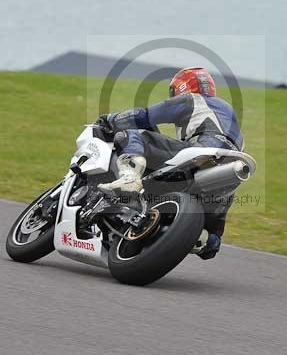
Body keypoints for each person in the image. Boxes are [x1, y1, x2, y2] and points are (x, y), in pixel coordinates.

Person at [95, 67, 244, 260]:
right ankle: (200, 238)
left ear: (182, 88)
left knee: (131, 135)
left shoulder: (192, 99)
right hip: (228, 174)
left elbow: (144, 116)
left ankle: (129, 178)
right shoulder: (232, 122)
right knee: (212, 242)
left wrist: (110, 119)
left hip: (201, 152)